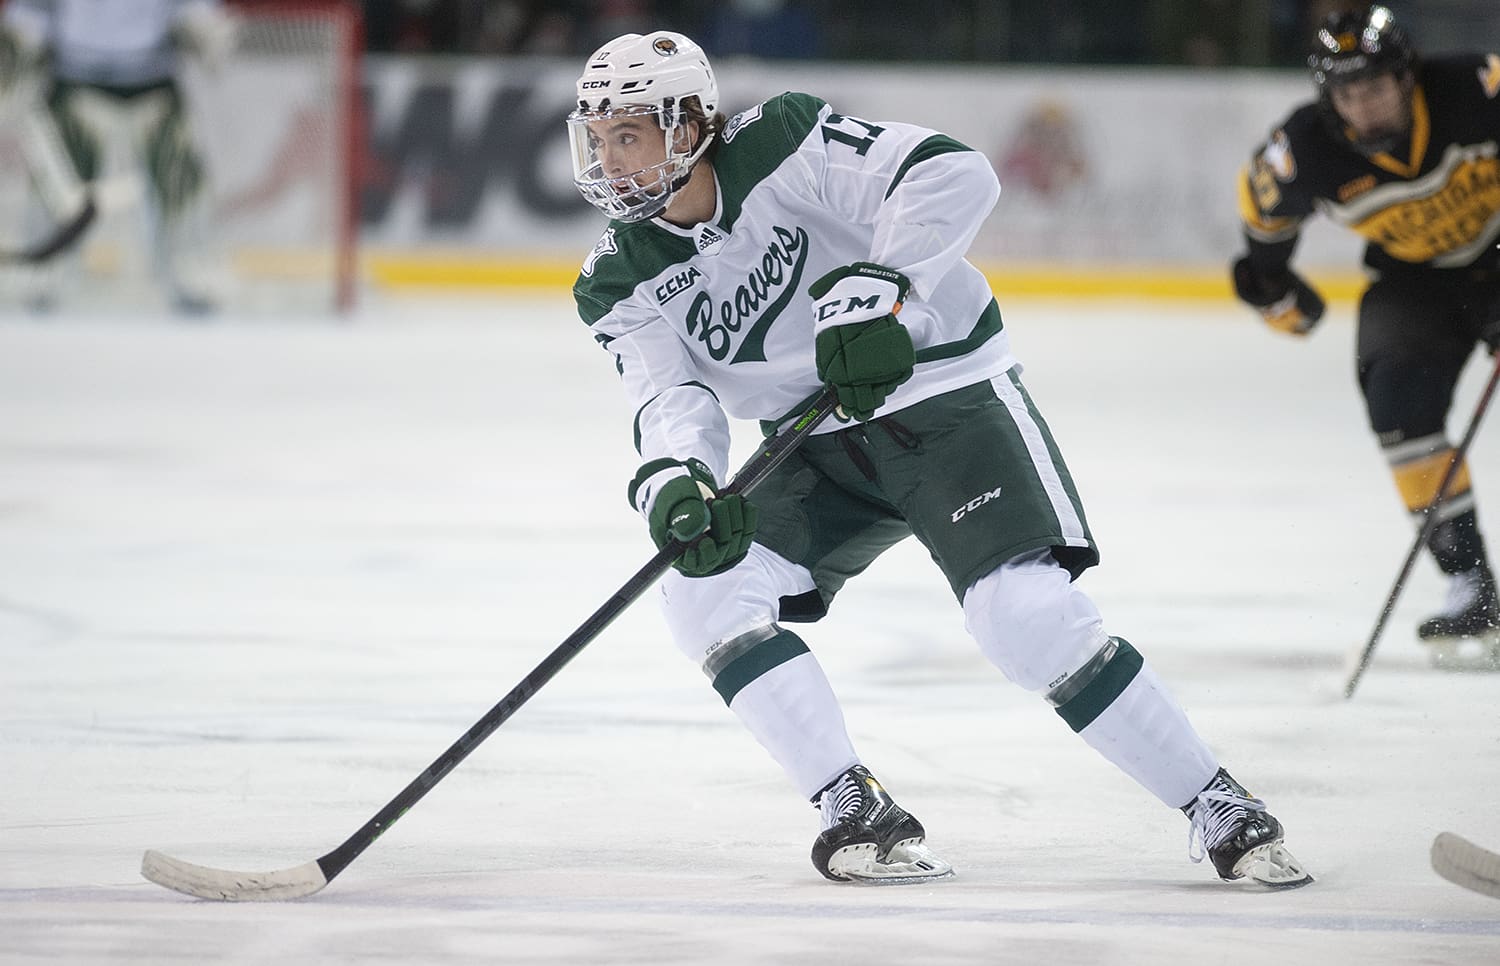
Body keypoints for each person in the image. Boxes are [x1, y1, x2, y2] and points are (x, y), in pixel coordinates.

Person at [567, 29, 1312, 887]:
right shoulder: (616, 280)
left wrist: (884, 286)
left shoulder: (785, 141)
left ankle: (1214, 800)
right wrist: (678, 478)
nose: (611, 158)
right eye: (600, 136)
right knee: (701, 592)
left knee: (1023, 616)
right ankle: (854, 806)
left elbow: (953, 173)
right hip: (810, 443)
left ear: (693, 123)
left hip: (941, 397)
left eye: (632, 133)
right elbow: (670, 399)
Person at [1231, 4, 1500, 661]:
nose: (1365, 105)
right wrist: (1274, 290)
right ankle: (1470, 584)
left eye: (1376, 86)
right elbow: (1263, 231)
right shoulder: (1303, 151)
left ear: (1406, 78)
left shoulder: (1477, 88)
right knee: (1399, 408)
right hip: (1413, 279)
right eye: (1347, 93)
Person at [0, 0, 237, 314]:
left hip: (154, 81)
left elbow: (191, 10)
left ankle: (190, 269)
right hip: (74, 81)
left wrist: (203, 25)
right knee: (56, 190)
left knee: (179, 178)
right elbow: (32, 12)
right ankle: (45, 274)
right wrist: (18, 43)